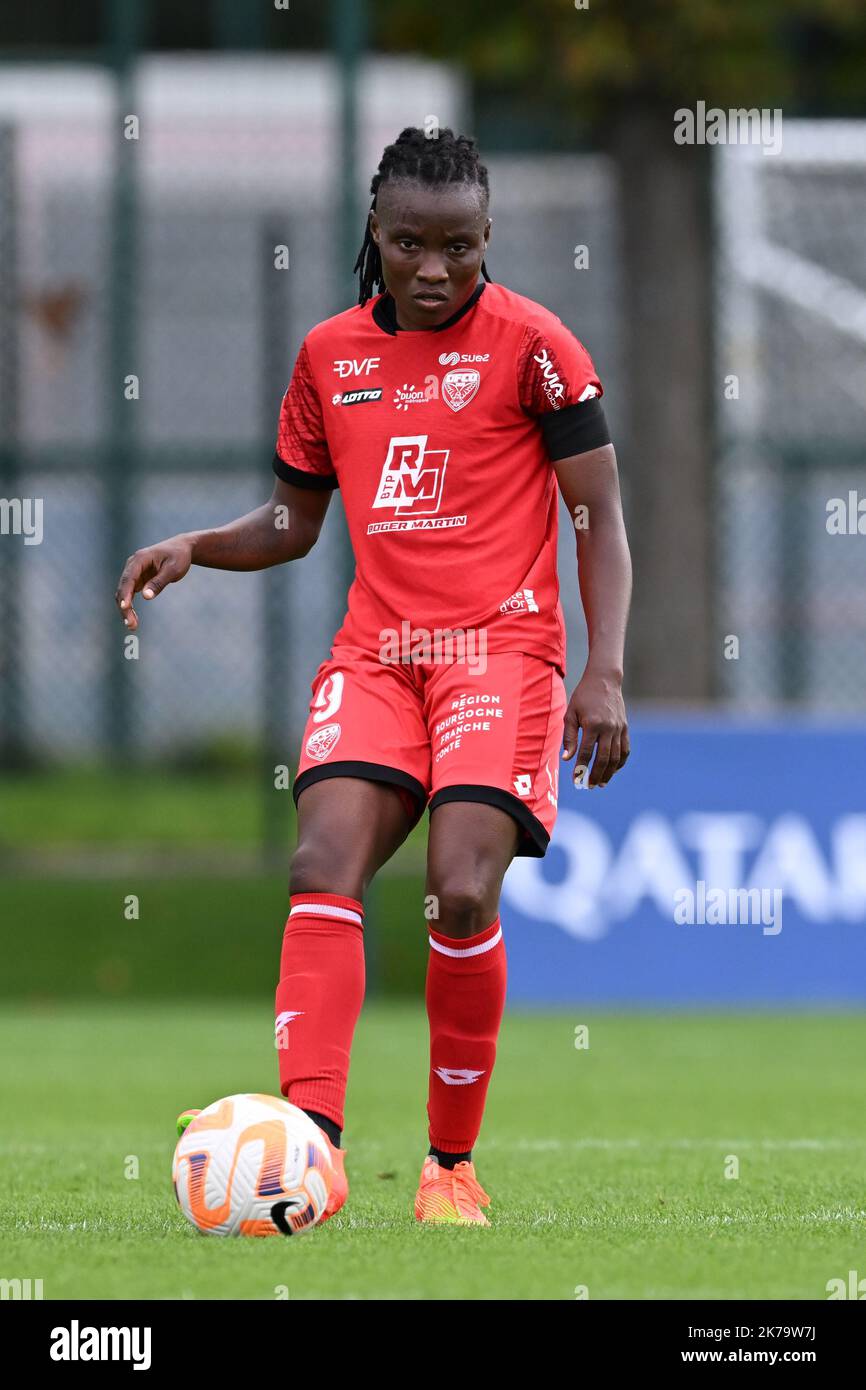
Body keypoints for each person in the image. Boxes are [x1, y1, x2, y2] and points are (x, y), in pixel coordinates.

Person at [116, 127, 632, 1227]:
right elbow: (295, 522)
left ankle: (450, 1168)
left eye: (456, 245)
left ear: (487, 235)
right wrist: (200, 545)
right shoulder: (328, 356)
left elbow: (599, 518)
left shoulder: (536, 345)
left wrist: (605, 668)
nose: (433, 268)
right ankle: (311, 1153)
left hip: (499, 652)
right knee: (319, 861)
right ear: (376, 235)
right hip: (378, 656)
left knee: (460, 887)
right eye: (409, 243)